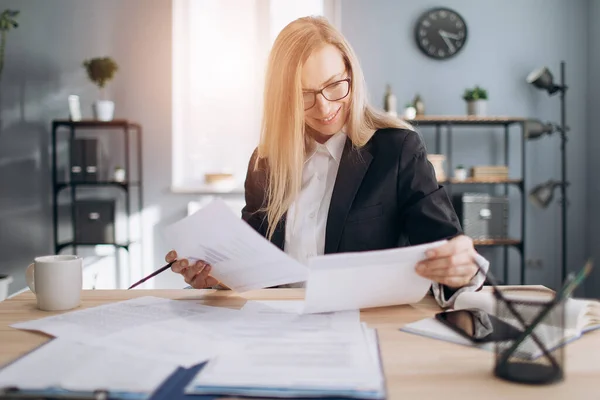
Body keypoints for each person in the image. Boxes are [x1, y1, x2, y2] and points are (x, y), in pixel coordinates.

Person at [166, 16, 488, 307]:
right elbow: (253, 264)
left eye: (335, 85)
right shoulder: (264, 163)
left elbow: (444, 247)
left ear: (351, 74)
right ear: (283, 99)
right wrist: (221, 278)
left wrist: (460, 266)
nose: (323, 107)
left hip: (364, 325)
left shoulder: (398, 150)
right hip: (276, 328)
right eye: (304, 95)